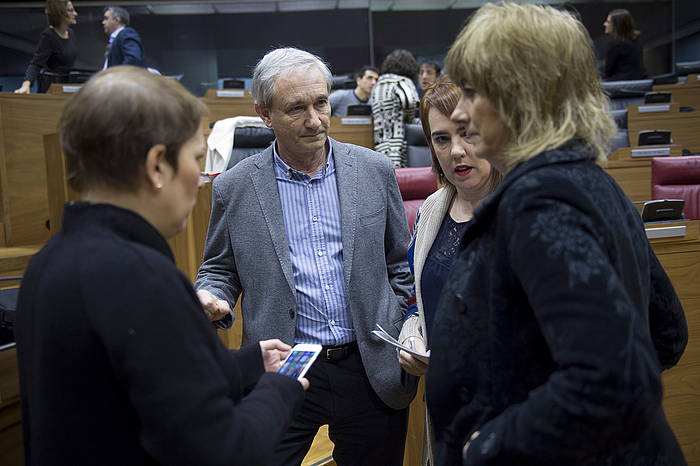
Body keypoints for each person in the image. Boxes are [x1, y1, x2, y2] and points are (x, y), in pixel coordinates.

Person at [430, 4, 688, 465]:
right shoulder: (592, 181)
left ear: (519, 93)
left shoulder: (540, 201)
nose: (463, 113)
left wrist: (488, 444)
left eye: (472, 92)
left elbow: (617, 381)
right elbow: (666, 334)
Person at [15, 66, 306, 466]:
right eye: (196, 158)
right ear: (157, 165)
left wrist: (249, 365)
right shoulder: (140, 277)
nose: (202, 179)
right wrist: (280, 386)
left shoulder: (49, 262)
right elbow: (227, 449)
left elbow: (138, 382)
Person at [195, 47, 415, 466]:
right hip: (284, 368)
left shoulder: (374, 171)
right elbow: (219, 268)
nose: (314, 120)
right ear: (264, 113)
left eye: (320, 103)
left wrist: (406, 325)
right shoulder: (235, 187)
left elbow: (399, 264)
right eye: (296, 109)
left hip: (369, 367)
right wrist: (212, 295)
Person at [397, 77, 501, 465]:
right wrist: (411, 338)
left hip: (513, 414)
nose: (456, 151)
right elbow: (414, 297)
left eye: (468, 133)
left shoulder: (523, 207)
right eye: (441, 139)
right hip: (446, 410)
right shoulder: (430, 212)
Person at [14, 0, 78, 94]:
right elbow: (36, 64)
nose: (75, 13)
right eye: (70, 10)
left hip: (66, 88)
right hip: (51, 91)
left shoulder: (71, 34)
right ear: (59, 13)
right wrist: (26, 85)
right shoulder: (49, 36)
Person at [372, 49, 420, 168]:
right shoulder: (402, 81)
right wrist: (410, 118)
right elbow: (409, 101)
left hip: (381, 141)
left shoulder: (379, 84)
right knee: (403, 179)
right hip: (399, 141)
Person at [603, 9, 646, 81]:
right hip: (639, 82)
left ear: (616, 25)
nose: (604, 24)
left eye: (608, 22)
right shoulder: (636, 40)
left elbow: (608, 72)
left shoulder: (615, 43)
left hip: (619, 84)